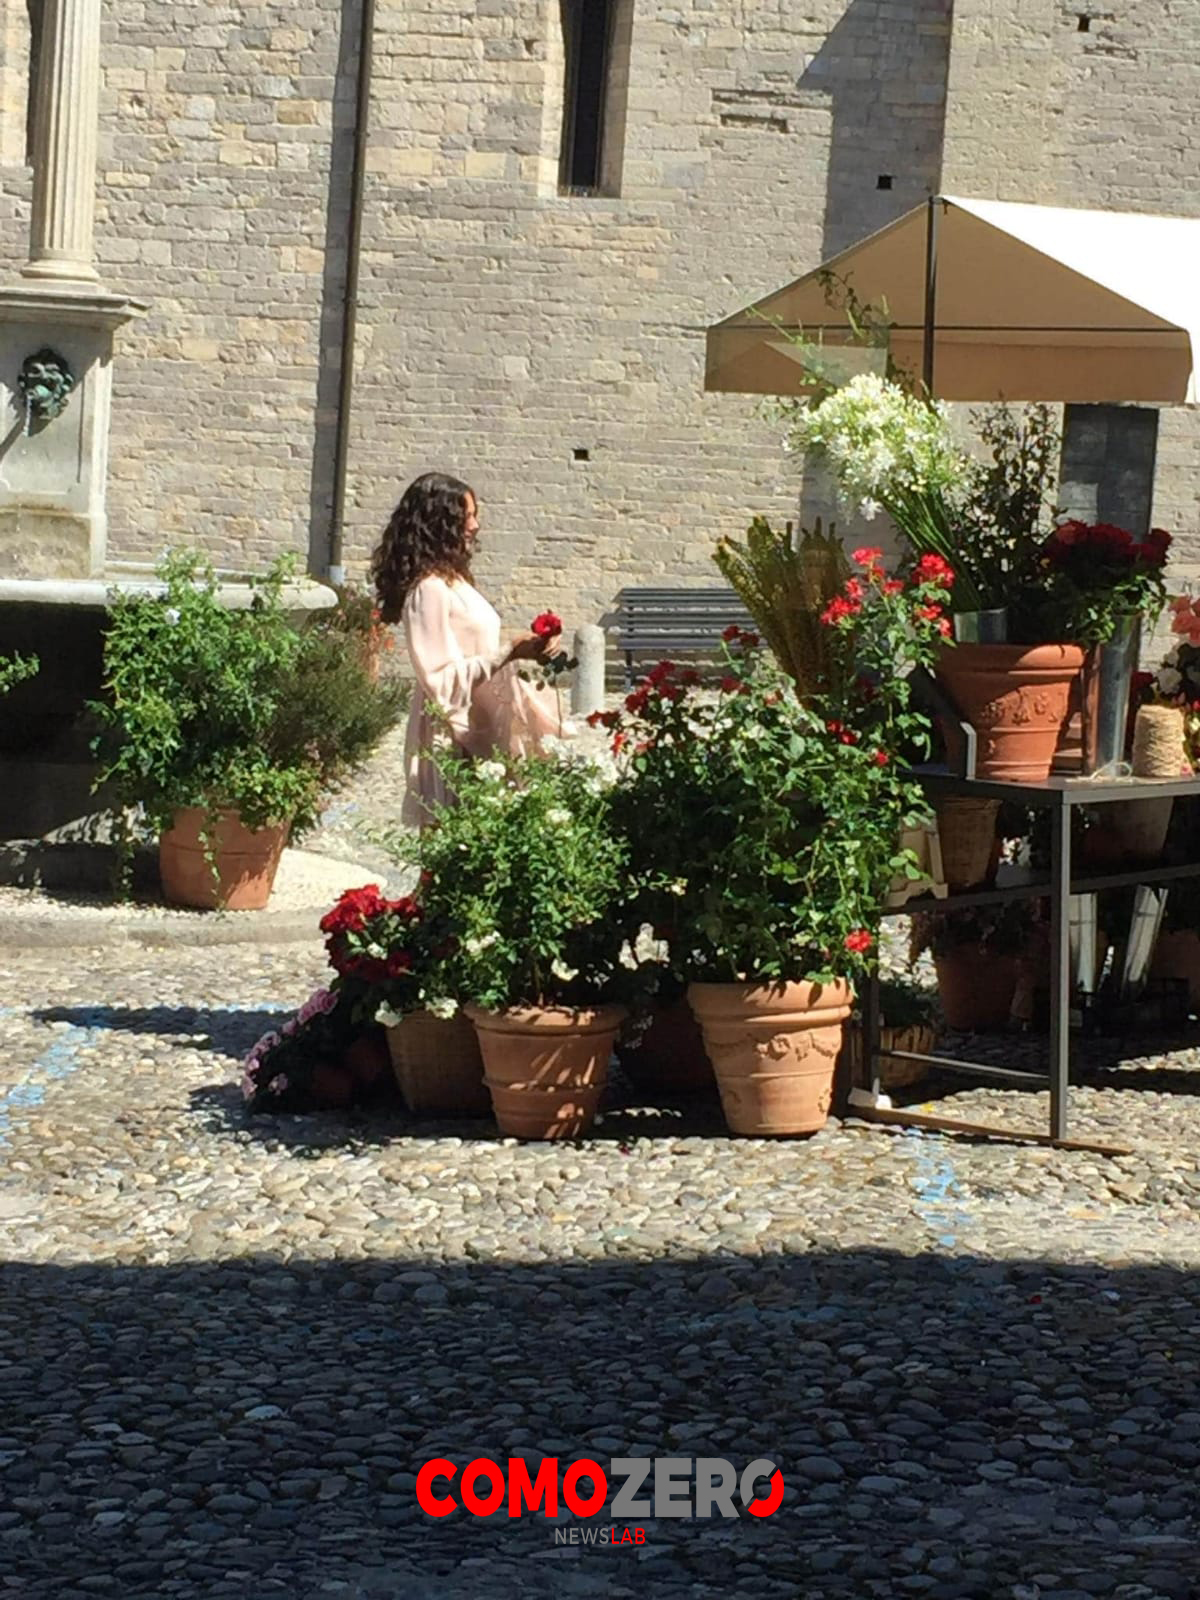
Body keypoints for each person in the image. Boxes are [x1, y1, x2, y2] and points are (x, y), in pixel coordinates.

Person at [371, 472, 568, 826]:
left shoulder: (455, 582)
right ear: (439, 522)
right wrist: (509, 651)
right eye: (467, 516)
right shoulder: (429, 590)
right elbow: (441, 680)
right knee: (456, 838)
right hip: (454, 735)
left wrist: (527, 647)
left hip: (483, 724)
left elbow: (478, 649)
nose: (475, 526)